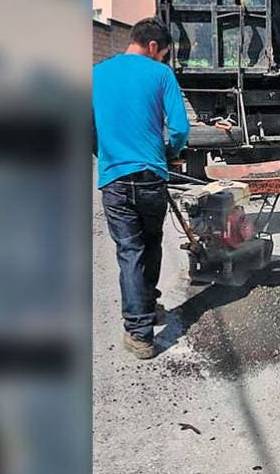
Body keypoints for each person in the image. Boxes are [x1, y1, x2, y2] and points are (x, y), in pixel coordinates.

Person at [93, 18, 190, 359]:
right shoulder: (161, 74)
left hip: (114, 181)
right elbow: (179, 128)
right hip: (151, 177)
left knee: (130, 252)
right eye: (163, 54)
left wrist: (105, 155)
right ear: (153, 47)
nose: (163, 60)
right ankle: (143, 319)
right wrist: (168, 153)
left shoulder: (96, 74)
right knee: (150, 245)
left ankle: (140, 329)